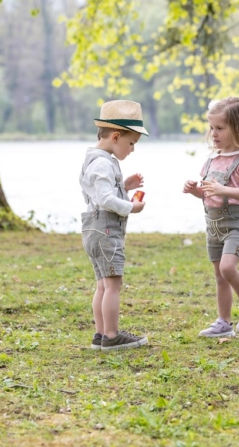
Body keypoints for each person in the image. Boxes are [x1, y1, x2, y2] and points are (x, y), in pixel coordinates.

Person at [183, 97, 239, 337]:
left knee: (229, 268)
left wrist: (223, 189)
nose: (214, 133)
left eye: (220, 128)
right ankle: (224, 322)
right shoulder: (212, 159)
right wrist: (195, 191)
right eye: (212, 128)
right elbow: (209, 196)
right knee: (219, 275)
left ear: (238, 128)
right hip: (213, 224)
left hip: (235, 224)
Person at [80, 100, 149, 351]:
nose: (132, 150)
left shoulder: (95, 160)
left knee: (102, 284)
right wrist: (131, 206)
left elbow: (100, 190)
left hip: (93, 229)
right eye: (131, 143)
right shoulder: (103, 163)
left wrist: (126, 186)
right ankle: (111, 335)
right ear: (116, 136)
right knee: (113, 284)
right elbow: (105, 199)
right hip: (105, 230)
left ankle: (100, 334)